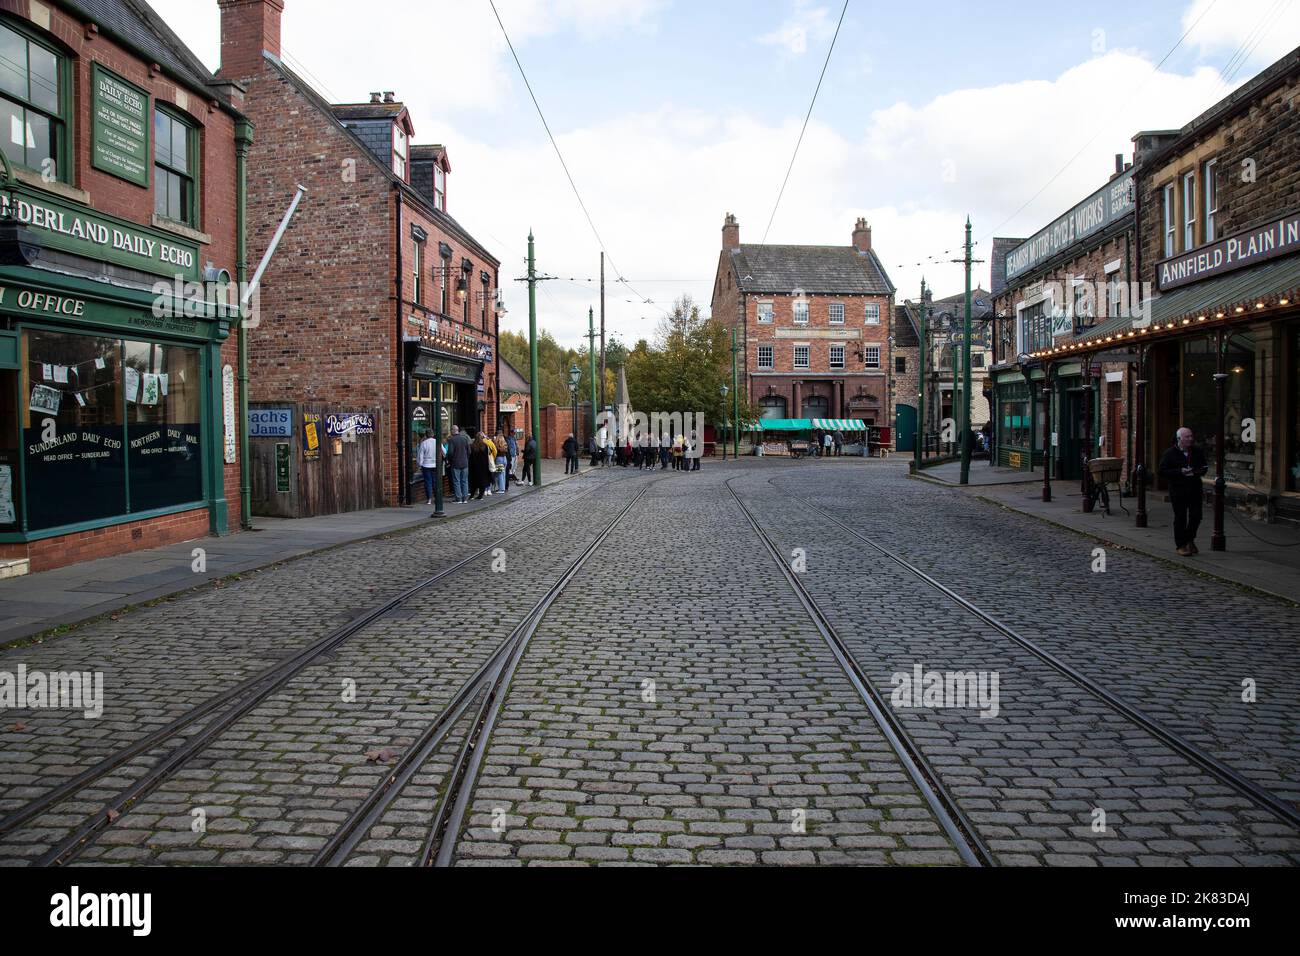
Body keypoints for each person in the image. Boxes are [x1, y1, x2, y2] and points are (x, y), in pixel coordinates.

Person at [1159, 427, 1209, 556]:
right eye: (1187, 437)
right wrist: (1179, 472)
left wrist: (1196, 471)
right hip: (1178, 489)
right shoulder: (1170, 453)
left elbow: (1204, 467)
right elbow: (1163, 471)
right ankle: (1181, 545)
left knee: (1196, 516)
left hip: (1194, 488)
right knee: (1180, 517)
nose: (1190, 439)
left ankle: (1189, 539)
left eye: (1191, 436)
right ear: (1179, 439)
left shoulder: (1197, 451)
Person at [445, 425, 471, 504]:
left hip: (456, 463)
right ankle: (465, 498)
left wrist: (449, 460)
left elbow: (450, 453)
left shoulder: (452, 440)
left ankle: (458, 499)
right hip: (465, 463)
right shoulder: (464, 439)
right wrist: (466, 458)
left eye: (451, 430)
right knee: (464, 481)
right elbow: (469, 451)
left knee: (456, 481)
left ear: (453, 430)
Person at [417, 429, 439, 505]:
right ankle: (437, 498)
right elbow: (444, 451)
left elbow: (420, 456)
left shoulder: (424, 443)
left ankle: (429, 499)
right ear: (433, 434)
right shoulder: (437, 442)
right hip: (436, 464)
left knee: (428, 482)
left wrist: (420, 465)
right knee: (435, 482)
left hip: (426, 465)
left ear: (426, 435)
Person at [468, 432, 492, 500]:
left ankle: (472, 495)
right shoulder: (485, 446)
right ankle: (480, 495)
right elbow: (487, 457)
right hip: (483, 466)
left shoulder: (472, 446)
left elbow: (470, 457)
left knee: (474, 481)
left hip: (474, 466)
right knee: (483, 481)